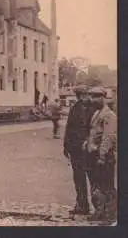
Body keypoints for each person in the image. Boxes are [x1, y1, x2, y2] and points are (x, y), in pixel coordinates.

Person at [85, 87, 117, 223]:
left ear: (104, 97)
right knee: (96, 184)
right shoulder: (97, 113)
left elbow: (108, 137)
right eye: (92, 96)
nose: (93, 99)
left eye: (97, 96)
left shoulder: (109, 115)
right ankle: (100, 211)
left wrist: (102, 156)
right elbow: (94, 133)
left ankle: (110, 215)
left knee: (106, 186)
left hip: (103, 156)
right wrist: (87, 144)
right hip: (94, 155)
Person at [63, 85, 95, 215]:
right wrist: (66, 146)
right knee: (80, 177)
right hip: (76, 148)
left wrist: (83, 144)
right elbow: (69, 128)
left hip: (82, 149)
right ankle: (83, 205)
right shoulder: (77, 107)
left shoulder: (87, 109)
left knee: (87, 177)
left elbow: (85, 129)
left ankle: (90, 206)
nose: (81, 96)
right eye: (80, 94)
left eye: (82, 94)